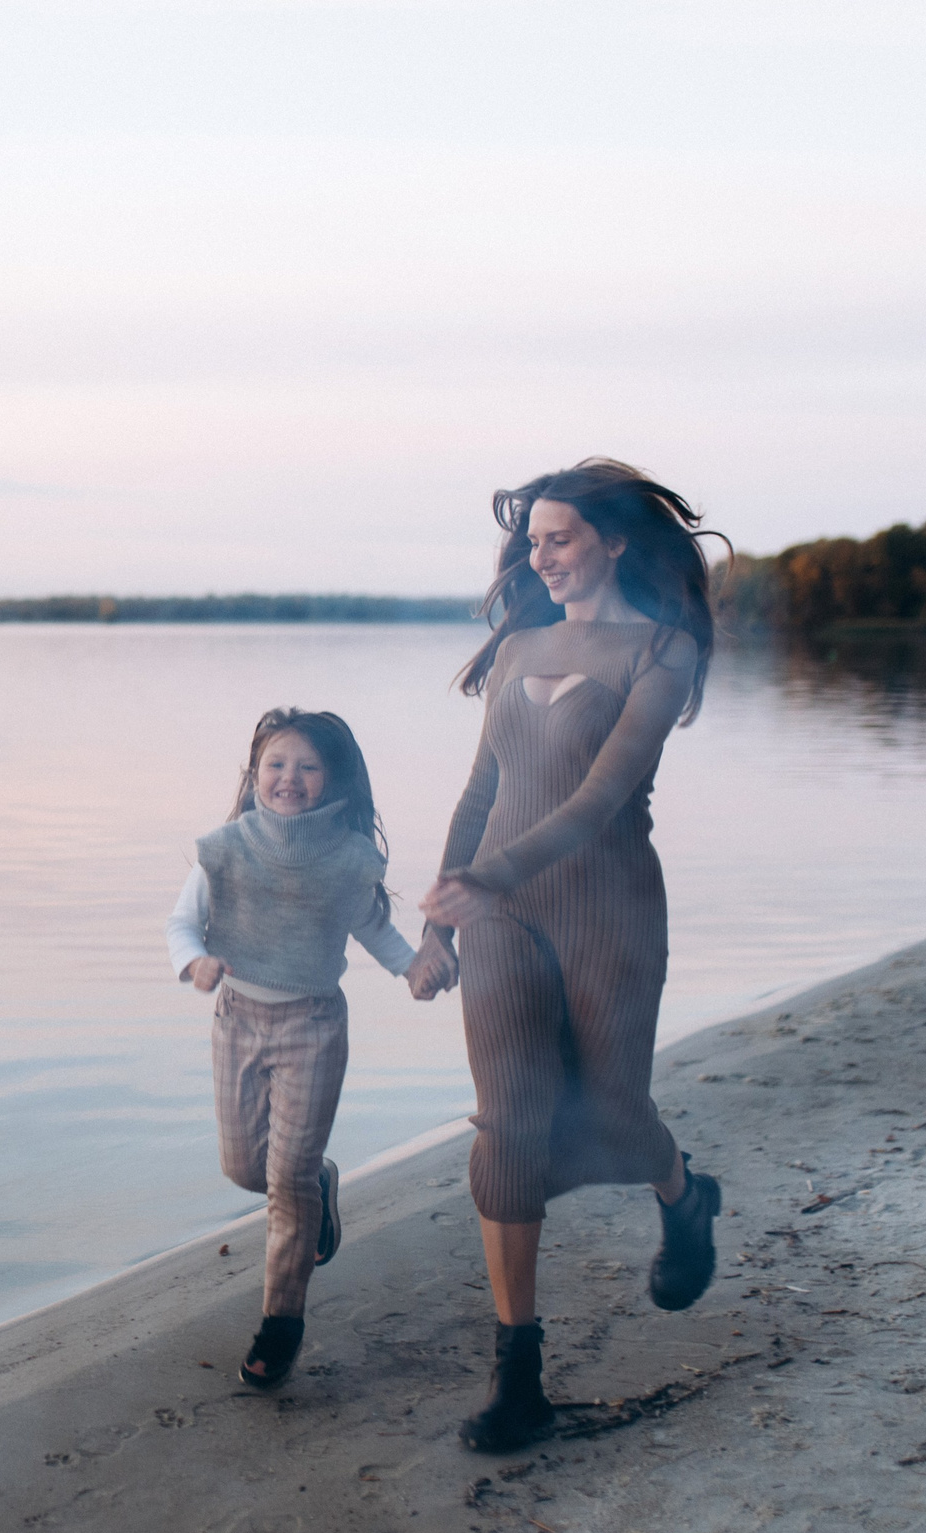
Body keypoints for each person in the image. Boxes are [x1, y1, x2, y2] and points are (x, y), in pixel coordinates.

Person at [408, 458, 727, 1454]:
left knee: (614, 1112)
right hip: (501, 912)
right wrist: (441, 920)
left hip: (609, 909)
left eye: (560, 539)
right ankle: (518, 1373)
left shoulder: (662, 649)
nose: (539, 556)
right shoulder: (519, 645)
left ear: (614, 542)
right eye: (533, 541)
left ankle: (684, 1194)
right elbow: (481, 790)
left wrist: (488, 876)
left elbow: (596, 799)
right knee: (507, 1124)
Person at [168, 708, 425, 1388]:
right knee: (244, 1167)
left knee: (286, 1182)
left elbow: (373, 927)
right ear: (254, 774)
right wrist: (194, 962)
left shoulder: (346, 857)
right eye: (276, 764)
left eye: (307, 766)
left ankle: (280, 1324)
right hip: (236, 1018)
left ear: (332, 778)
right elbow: (181, 924)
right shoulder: (226, 848)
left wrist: (412, 968)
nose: (290, 778)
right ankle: (319, 1185)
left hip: (312, 1025)